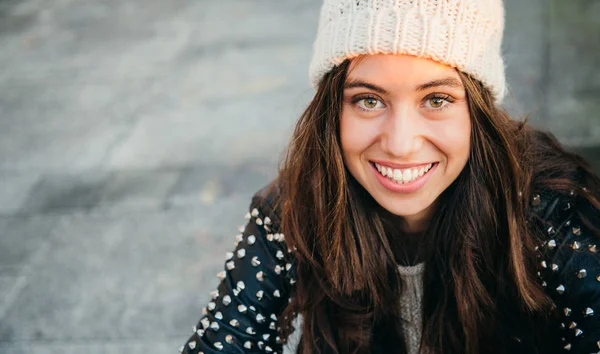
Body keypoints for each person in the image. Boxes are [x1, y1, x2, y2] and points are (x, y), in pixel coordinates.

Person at [179, 0, 600, 353]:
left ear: (479, 111)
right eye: (368, 100)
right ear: (332, 110)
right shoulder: (294, 208)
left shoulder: (552, 210)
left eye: (437, 99)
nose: (400, 144)